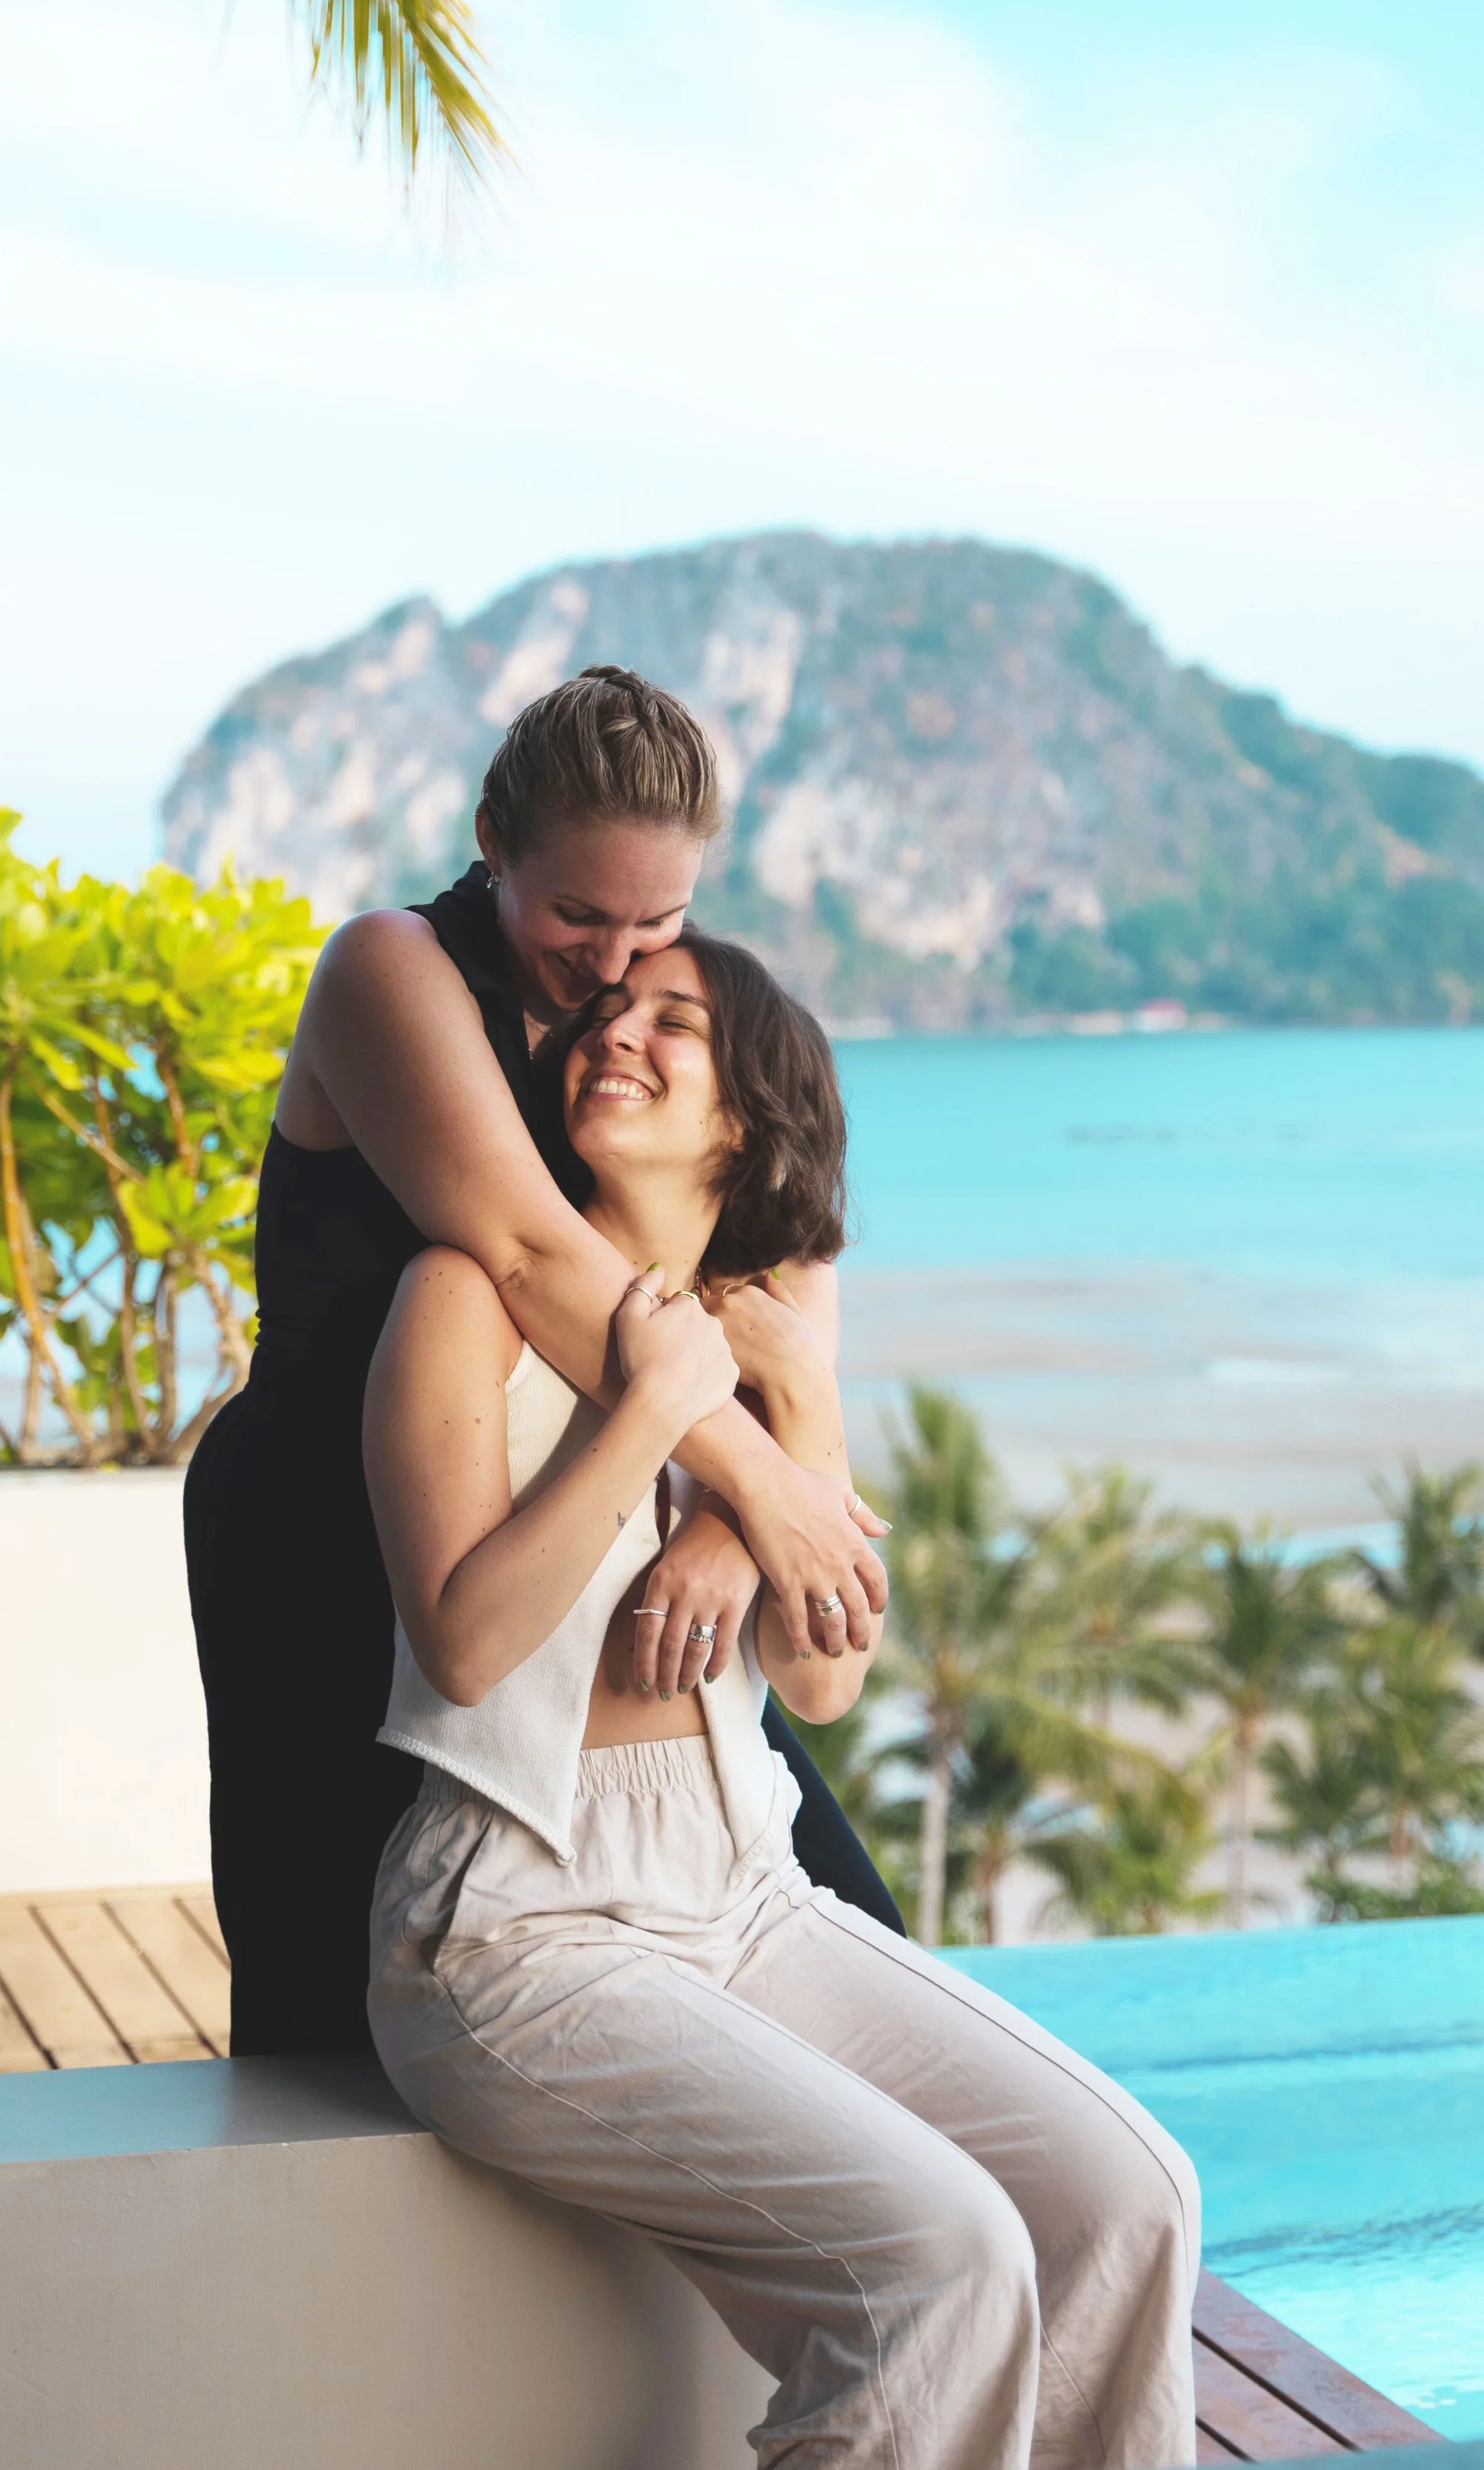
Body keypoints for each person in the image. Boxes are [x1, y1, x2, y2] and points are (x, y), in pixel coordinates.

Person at [365, 931, 1200, 2470]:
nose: (614, 1033)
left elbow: (820, 1679)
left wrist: (786, 1421)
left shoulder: (766, 1333)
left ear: (744, 1117)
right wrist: (656, 1421)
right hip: (516, 1929)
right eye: (605, 1014)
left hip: (743, 1899)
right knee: (940, 2259)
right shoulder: (460, 1297)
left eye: (670, 1022)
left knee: (1125, 2194)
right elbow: (465, 1643)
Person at [183, 666, 898, 2057]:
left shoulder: (633, 1019)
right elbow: (522, 1249)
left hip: (587, 1531)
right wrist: (761, 1478)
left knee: (848, 1935)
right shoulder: (391, 969)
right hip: (330, 1536)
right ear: (492, 840)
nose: (617, 964)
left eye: (661, 920)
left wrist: (742, 1535)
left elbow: (789, 1249)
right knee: (333, 2027)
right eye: (577, 913)